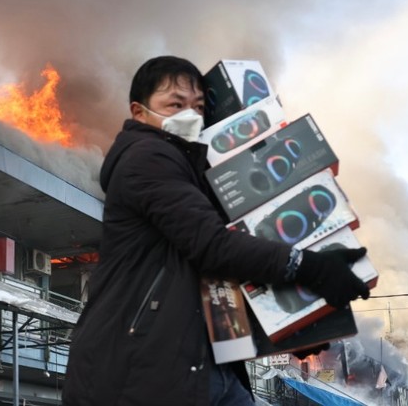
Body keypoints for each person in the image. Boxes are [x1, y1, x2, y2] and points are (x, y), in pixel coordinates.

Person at [62, 56, 370, 406]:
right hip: (145, 368)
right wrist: (310, 267)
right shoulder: (146, 157)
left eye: (197, 106)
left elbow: (211, 282)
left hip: (200, 364)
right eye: (175, 105)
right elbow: (213, 247)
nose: (190, 116)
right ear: (139, 112)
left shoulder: (194, 172)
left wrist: (294, 327)